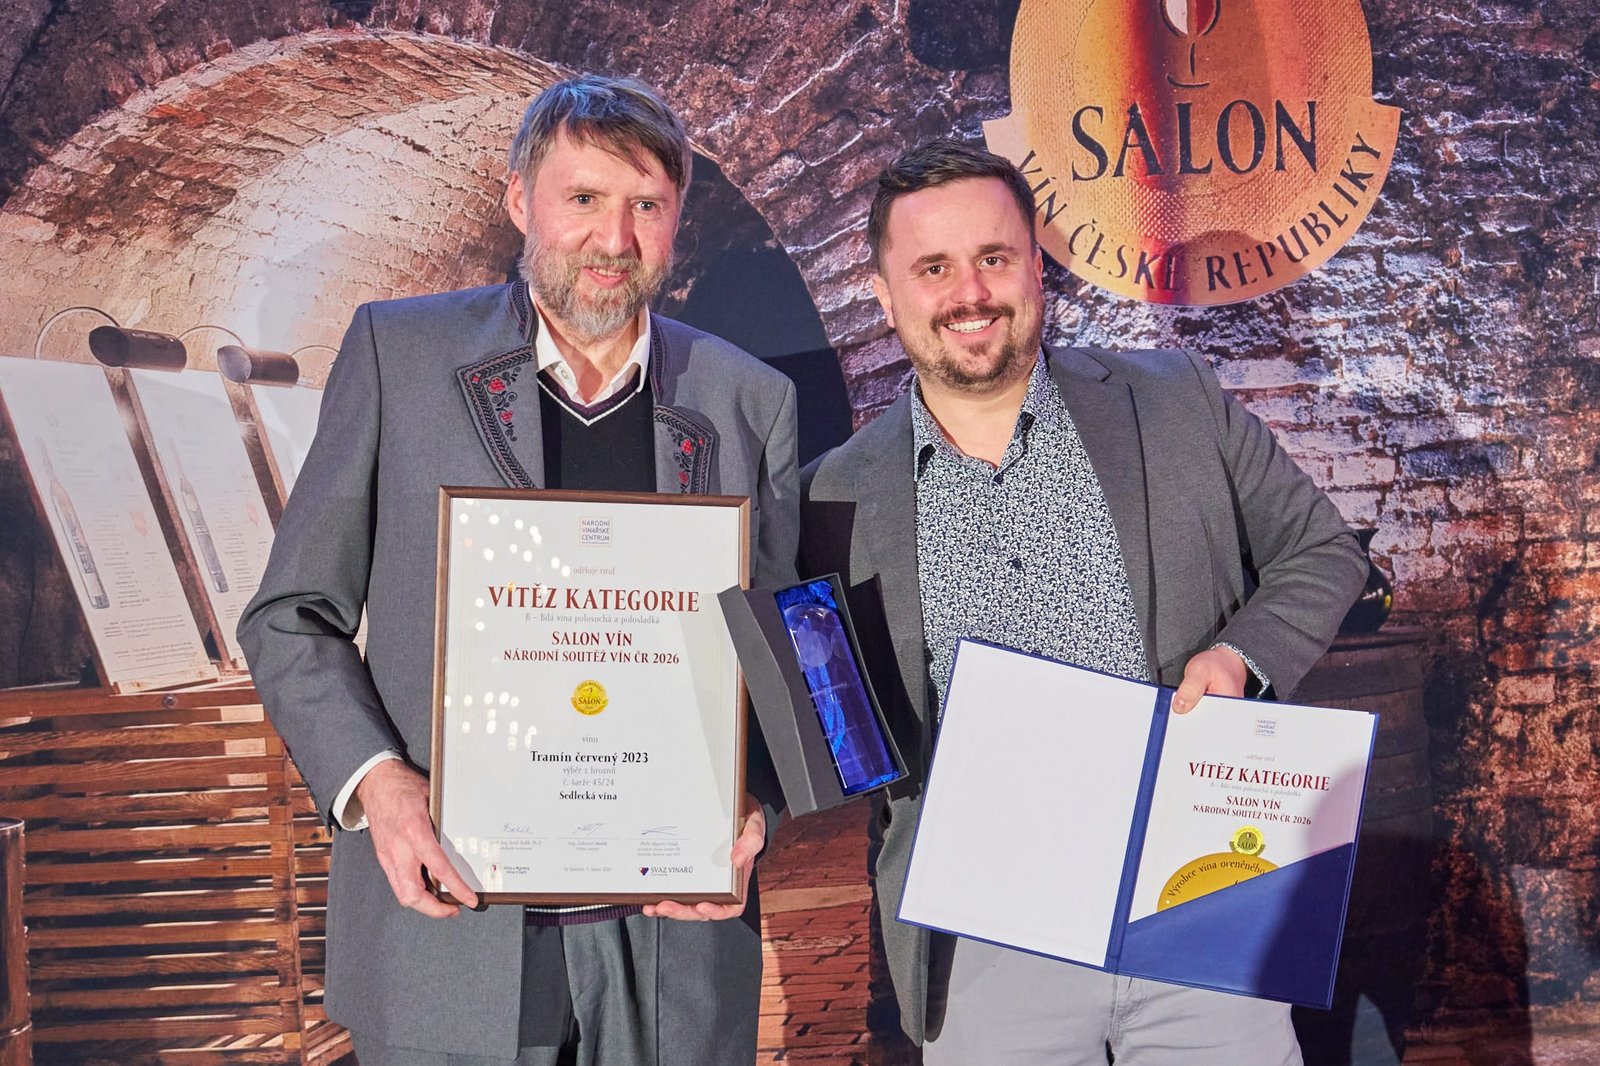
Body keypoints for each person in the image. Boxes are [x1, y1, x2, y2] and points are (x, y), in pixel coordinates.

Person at [239, 74, 797, 1065]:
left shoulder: (747, 400)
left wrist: (754, 802)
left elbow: (783, 654)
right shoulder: (399, 356)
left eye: (646, 206)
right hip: (454, 928)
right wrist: (378, 786)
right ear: (517, 200)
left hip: (670, 947)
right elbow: (290, 615)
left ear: (678, 219)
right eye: (583, 198)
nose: (613, 238)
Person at [799, 139, 1366, 1064]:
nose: (970, 292)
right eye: (933, 267)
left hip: (1194, 892)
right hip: (983, 938)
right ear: (884, 294)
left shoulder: (1174, 401)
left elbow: (1321, 550)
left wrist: (1240, 658)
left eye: (994, 257)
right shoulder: (832, 496)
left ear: (1037, 266)